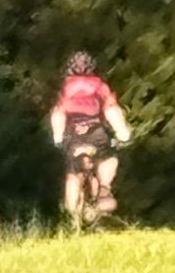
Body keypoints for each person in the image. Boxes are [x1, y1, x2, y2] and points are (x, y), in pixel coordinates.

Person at [49, 51, 131, 225]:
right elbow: (111, 109)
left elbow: (58, 113)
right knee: (108, 159)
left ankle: (71, 217)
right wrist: (123, 134)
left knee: (73, 173)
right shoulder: (98, 85)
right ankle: (104, 190)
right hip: (96, 131)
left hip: (73, 134)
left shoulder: (66, 87)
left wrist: (57, 138)